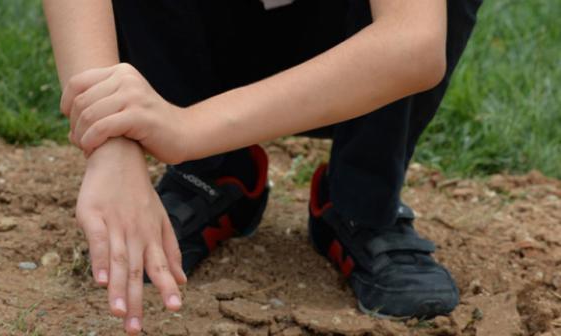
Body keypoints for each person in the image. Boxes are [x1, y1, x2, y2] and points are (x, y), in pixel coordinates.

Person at [43, 0, 482, 334]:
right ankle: (215, 174)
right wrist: (110, 142)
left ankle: (362, 199)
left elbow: (414, 41)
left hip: (348, 44)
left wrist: (186, 128)